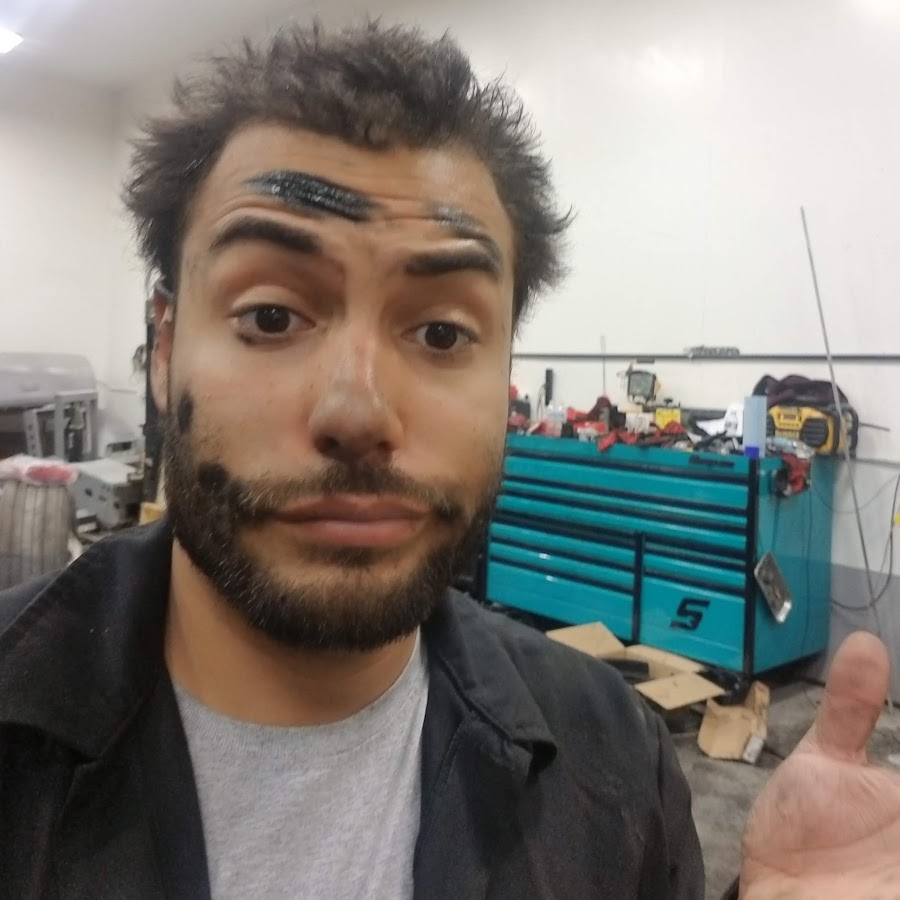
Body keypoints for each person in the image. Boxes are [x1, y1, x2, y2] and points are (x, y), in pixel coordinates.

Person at [0, 21, 897, 900]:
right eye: (271, 316)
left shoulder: (617, 760)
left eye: (440, 332)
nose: (359, 412)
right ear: (163, 350)